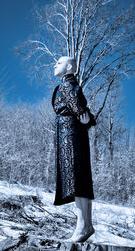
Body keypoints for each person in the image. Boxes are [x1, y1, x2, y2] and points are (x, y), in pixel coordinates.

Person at [52, 56, 96, 242]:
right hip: (73, 133)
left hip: (70, 135)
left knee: (77, 178)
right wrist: (86, 119)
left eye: (59, 62)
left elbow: (80, 111)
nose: (55, 65)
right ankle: (85, 225)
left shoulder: (67, 87)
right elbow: (84, 115)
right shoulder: (71, 86)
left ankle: (83, 227)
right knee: (80, 179)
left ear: (70, 66)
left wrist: (84, 117)